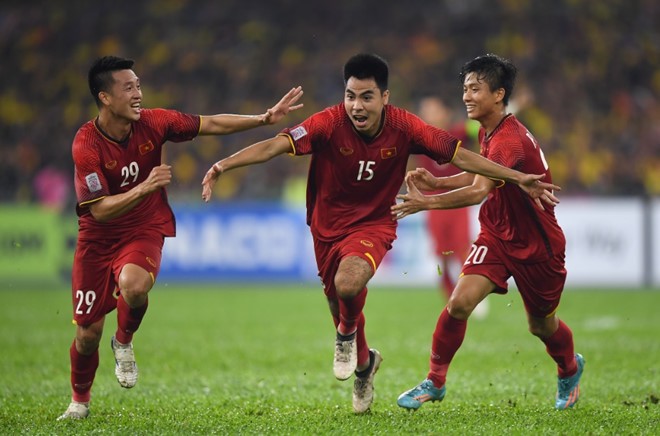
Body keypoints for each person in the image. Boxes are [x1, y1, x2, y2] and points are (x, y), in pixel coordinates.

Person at [200, 53, 559, 414]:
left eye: (366, 97)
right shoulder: (327, 122)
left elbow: (461, 157)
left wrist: (515, 177)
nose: (356, 106)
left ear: (384, 98)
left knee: (349, 283)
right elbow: (275, 146)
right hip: (326, 226)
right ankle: (363, 365)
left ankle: (348, 337)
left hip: (375, 222)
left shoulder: (406, 127)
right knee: (339, 299)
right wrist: (223, 164)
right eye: (350, 96)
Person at [58, 55, 303, 420]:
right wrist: (145, 188)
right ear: (105, 97)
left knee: (134, 285)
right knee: (87, 334)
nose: (138, 94)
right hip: (98, 239)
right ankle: (79, 401)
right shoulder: (86, 144)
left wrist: (263, 119)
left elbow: (212, 123)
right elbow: (100, 210)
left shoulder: (155, 122)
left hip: (143, 227)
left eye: (139, 85)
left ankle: (123, 340)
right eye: (129, 88)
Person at [393, 54, 584, 411]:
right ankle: (435, 381)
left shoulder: (509, 141)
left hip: (536, 245)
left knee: (541, 325)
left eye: (475, 89)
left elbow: (480, 190)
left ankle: (569, 368)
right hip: (497, 234)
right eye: (464, 88)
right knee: (459, 303)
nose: (466, 96)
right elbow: (482, 172)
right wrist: (438, 181)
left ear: (498, 94)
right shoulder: (488, 129)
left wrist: (428, 202)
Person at [414, 97, 486, 316]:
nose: (430, 116)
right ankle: (451, 299)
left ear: (444, 113)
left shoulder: (458, 132)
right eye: (426, 111)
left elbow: (483, 126)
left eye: (434, 110)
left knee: (462, 249)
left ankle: (474, 294)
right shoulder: (419, 139)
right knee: (442, 256)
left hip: (457, 199)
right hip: (433, 204)